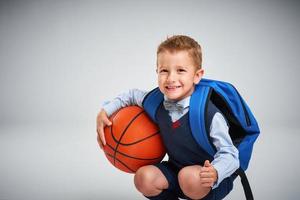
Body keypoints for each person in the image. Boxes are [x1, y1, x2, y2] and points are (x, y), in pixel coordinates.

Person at [96, 35, 239, 200]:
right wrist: (105, 112)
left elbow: (230, 154)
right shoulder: (157, 102)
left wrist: (216, 172)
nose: (171, 78)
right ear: (157, 71)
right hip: (176, 171)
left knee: (189, 178)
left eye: (181, 70)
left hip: (207, 180)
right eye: (164, 70)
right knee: (144, 177)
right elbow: (132, 95)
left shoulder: (208, 114)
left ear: (197, 75)